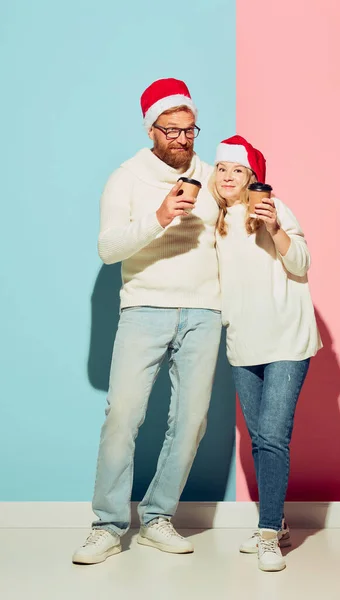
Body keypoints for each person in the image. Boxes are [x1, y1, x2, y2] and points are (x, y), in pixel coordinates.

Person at [72, 78, 222, 564]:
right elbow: (108, 247)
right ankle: (108, 525)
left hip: (204, 310)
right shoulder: (126, 177)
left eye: (189, 130)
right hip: (144, 308)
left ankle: (158, 517)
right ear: (151, 130)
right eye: (171, 131)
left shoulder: (212, 176)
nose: (182, 139)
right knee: (123, 417)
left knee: (192, 421)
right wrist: (159, 216)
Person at [210, 135, 322, 572]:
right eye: (221, 169)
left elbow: (302, 264)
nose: (227, 177)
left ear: (252, 178)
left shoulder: (274, 211)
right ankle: (278, 526)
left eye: (237, 170)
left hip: (287, 339)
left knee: (273, 436)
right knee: (260, 439)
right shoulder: (215, 223)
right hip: (243, 341)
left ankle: (266, 531)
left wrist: (275, 227)